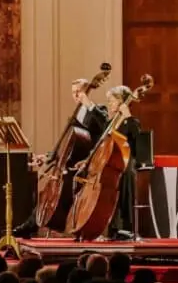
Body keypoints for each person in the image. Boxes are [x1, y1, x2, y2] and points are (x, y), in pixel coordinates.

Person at [14, 78, 109, 238]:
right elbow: (66, 144)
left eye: (78, 92)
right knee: (48, 190)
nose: (75, 96)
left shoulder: (98, 110)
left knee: (62, 188)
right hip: (69, 164)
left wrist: (88, 103)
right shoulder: (75, 115)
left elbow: (104, 126)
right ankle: (32, 224)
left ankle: (38, 224)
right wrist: (47, 157)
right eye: (73, 93)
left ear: (86, 91)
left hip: (86, 164)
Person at [101, 85, 142, 241]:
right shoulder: (110, 124)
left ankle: (125, 228)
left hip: (125, 165)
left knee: (124, 184)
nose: (110, 104)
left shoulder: (132, 122)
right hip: (110, 165)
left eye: (112, 101)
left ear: (121, 102)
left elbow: (138, 142)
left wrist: (128, 116)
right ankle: (111, 228)